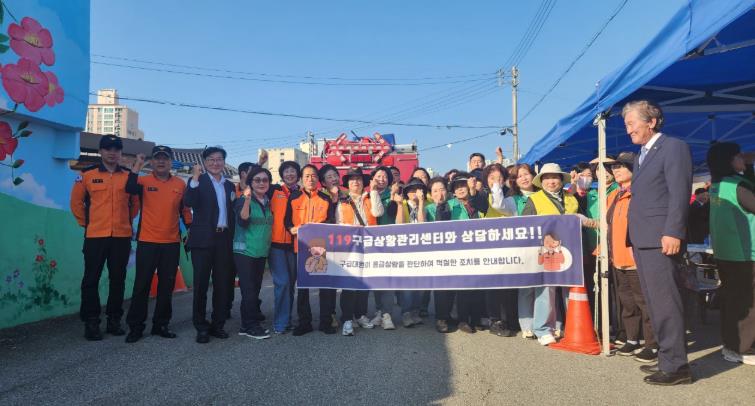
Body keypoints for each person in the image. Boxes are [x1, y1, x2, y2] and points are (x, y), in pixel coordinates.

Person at [623, 100, 693, 385]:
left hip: (661, 237)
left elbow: (679, 192)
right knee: (654, 302)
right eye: (626, 125)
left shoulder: (673, 147)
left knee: (666, 302)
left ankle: (677, 367)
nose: (628, 130)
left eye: (632, 123)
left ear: (651, 121)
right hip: (643, 238)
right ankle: (667, 357)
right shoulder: (641, 155)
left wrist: (673, 231)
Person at [70, 135, 139, 340]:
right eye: (108, 148)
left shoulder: (128, 176)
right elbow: (76, 203)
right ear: (100, 151)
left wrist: (126, 222)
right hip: (95, 236)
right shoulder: (86, 175)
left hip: (121, 236)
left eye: (116, 149)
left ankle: (114, 320)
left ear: (120, 153)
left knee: (118, 280)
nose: (112, 152)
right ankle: (91, 322)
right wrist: (88, 224)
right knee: (91, 279)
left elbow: (135, 204)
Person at [521, 163, 596, 346]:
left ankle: (576, 326)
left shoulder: (571, 198)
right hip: (546, 251)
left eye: (555, 177)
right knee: (546, 290)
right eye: (547, 178)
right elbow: (526, 226)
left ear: (562, 180)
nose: (551, 181)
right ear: (541, 181)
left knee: (572, 289)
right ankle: (542, 329)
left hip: (572, 250)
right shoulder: (534, 199)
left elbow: (579, 219)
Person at [124, 146, 192, 343]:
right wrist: (137, 165)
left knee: (166, 286)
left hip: (171, 243)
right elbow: (129, 189)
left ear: (171, 162)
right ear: (152, 161)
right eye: (157, 158)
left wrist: (190, 229)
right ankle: (136, 327)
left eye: (165, 158)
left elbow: (185, 210)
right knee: (141, 286)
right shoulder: (143, 181)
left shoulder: (180, 184)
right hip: (147, 241)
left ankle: (161, 325)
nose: (161, 162)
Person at [604, 152, 658, 362]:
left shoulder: (641, 193)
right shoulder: (614, 196)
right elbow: (607, 225)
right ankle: (632, 338)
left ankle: (653, 344)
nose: (616, 170)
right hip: (617, 259)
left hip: (636, 259)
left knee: (645, 303)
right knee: (627, 303)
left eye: (621, 166)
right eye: (614, 167)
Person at [706, 142, 755, 366]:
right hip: (745, 253)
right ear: (729, 160)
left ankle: (731, 345)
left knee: (732, 300)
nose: (742, 159)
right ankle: (743, 348)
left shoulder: (717, 185)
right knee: (747, 303)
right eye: (738, 156)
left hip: (725, 253)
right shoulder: (738, 185)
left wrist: (748, 168)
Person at [184, 146, 236, 344]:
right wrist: (195, 178)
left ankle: (218, 324)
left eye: (219, 159)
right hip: (203, 240)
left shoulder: (229, 185)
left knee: (223, 284)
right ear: (205, 163)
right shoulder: (198, 181)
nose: (216, 163)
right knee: (201, 285)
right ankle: (201, 326)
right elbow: (189, 201)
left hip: (224, 239)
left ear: (224, 162)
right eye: (211, 159)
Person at [285, 164, 338, 336]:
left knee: (325, 287)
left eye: (313, 175)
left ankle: (325, 322)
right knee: (303, 288)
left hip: (321, 248)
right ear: (301, 179)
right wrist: (292, 229)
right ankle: (304, 322)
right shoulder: (293, 197)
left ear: (318, 179)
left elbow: (331, 221)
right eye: (307, 176)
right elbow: (287, 222)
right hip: (299, 247)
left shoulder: (325, 198)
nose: (310, 179)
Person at [336, 167, 385, 336]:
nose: (355, 182)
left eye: (358, 179)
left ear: (363, 182)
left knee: (364, 283)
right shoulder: (342, 201)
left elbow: (378, 212)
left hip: (369, 247)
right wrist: (351, 231)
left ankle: (360, 315)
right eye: (352, 179)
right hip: (349, 247)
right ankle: (347, 318)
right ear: (347, 184)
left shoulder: (371, 197)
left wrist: (374, 192)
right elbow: (338, 224)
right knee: (349, 284)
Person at [232, 166, 274, 340]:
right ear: (250, 183)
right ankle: (251, 326)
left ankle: (246, 324)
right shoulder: (243, 200)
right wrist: (247, 199)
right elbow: (243, 220)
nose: (261, 183)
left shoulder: (268, 201)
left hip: (260, 252)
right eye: (257, 180)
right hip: (245, 251)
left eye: (265, 180)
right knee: (249, 290)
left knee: (254, 289)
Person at [481, 163, 517, 337]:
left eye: (499, 178)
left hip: (508, 248)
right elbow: (495, 205)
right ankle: (495, 320)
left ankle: (511, 319)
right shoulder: (482, 196)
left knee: (509, 286)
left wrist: (498, 188)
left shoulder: (510, 197)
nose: (496, 181)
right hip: (488, 248)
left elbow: (502, 206)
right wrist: (495, 188)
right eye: (492, 178)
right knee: (493, 286)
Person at [447, 173, 486, 333]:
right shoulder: (449, 205)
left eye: (463, 185)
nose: (460, 189)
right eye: (457, 187)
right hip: (459, 250)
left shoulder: (478, 199)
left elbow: (485, 210)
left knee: (478, 286)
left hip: (479, 248)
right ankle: (463, 320)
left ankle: (476, 318)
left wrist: (474, 192)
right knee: (463, 287)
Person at [505, 163, 539, 340]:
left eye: (526, 174)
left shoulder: (543, 195)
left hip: (546, 246)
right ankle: (527, 325)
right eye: (519, 176)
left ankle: (545, 324)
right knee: (526, 289)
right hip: (524, 248)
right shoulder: (512, 200)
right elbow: (498, 205)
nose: (524, 178)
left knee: (546, 288)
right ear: (514, 181)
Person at [268, 161, 301, 334]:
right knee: (282, 282)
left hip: (296, 245)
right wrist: (260, 163)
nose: (289, 174)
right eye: (286, 171)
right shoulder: (274, 190)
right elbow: (253, 183)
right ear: (281, 175)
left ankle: (286, 319)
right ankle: (280, 322)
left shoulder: (302, 193)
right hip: (276, 246)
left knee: (291, 284)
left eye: (293, 171)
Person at [394, 177, 428, 327]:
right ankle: (406, 313)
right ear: (407, 192)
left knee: (420, 285)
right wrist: (400, 205)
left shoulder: (426, 206)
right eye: (412, 190)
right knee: (407, 285)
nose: (415, 192)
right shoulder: (402, 204)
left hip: (421, 252)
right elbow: (399, 225)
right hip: (405, 251)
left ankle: (415, 311)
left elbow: (422, 224)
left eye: (418, 189)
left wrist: (421, 203)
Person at [368, 166, 398, 330]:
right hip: (371, 244)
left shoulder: (393, 195)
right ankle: (379, 311)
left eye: (385, 176)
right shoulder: (366, 196)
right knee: (376, 281)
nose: (381, 179)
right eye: (378, 176)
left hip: (388, 243)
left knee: (387, 280)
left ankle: (387, 314)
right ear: (372, 178)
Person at [425, 177, 454, 333]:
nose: (439, 193)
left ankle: (448, 314)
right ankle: (441, 318)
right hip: (436, 252)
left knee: (453, 285)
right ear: (430, 194)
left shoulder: (454, 205)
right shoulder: (428, 208)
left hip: (454, 250)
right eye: (435, 191)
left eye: (442, 189)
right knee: (440, 286)